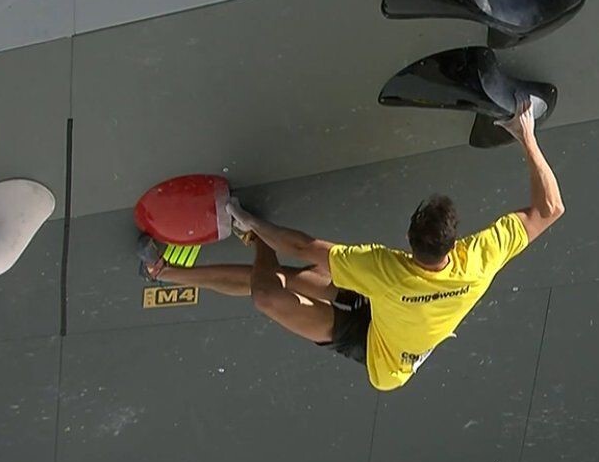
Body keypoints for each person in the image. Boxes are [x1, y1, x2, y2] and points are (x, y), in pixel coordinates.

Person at [137, 99, 564, 391]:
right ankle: (175, 268)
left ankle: (237, 245)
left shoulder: (386, 266)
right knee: (295, 279)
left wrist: (253, 222)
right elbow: (548, 211)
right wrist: (525, 136)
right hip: (382, 304)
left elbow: (304, 244)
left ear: (410, 243)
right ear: (454, 246)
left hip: (381, 356)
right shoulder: (478, 261)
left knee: (269, 294)